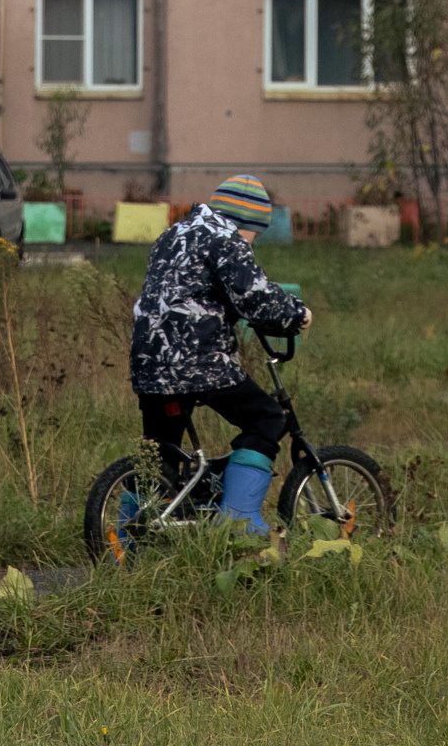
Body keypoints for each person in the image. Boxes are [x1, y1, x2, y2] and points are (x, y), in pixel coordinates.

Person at [127, 174, 311, 536]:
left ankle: (124, 544)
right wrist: (296, 314)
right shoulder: (226, 238)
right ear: (248, 222)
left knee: (160, 453)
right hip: (197, 360)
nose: (251, 243)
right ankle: (239, 520)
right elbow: (254, 297)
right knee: (267, 418)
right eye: (255, 235)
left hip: (148, 360)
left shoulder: (172, 235)